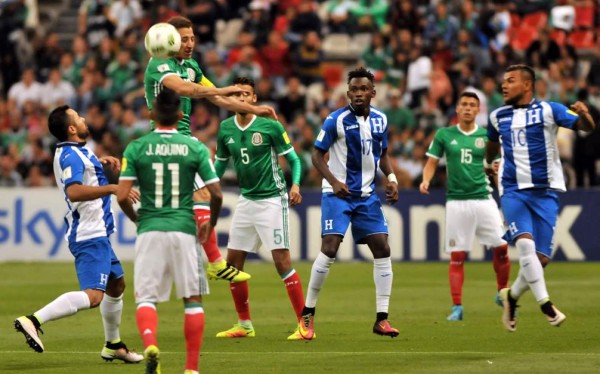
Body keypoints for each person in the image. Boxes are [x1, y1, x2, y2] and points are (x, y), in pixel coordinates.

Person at [144, 15, 277, 283]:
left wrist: (254, 110)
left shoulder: (191, 66)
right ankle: (215, 261)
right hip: (167, 140)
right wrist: (230, 88)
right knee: (204, 195)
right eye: (184, 39)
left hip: (182, 140)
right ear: (170, 40)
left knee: (192, 201)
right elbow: (187, 90)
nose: (190, 43)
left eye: (193, 38)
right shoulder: (159, 64)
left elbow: (216, 97)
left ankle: (185, 256)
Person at [14, 105, 143, 363]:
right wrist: (112, 188)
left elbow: (84, 173)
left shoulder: (77, 151)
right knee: (95, 295)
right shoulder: (71, 155)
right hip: (89, 234)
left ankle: (113, 345)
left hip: (98, 233)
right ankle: (33, 320)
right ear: (72, 129)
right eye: (78, 117)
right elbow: (74, 191)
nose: (84, 118)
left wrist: (100, 163)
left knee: (116, 284)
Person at [116, 88, 223, 374]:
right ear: (180, 115)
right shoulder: (195, 147)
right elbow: (217, 194)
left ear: (151, 114)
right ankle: (191, 369)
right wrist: (209, 224)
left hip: (150, 228)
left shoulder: (136, 147)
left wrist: (138, 220)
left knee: (146, 298)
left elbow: (122, 195)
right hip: (185, 230)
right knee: (192, 299)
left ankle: (151, 344)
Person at [486, 64, 595, 332]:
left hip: (545, 192)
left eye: (510, 80)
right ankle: (547, 305)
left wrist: (585, 114)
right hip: (513, 191)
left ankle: (511, 297)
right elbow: (491, 148)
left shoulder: (550, 109)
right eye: (503, 81)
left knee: (541, 259)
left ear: (527, 85)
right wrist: (491, 166)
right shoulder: (497, 116)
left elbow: (585, 127)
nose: (504, 85)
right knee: (525, 246)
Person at [298, 67, 400, 340]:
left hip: (366, 196)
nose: (358, 94)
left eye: (363, 89)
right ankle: (307, 314)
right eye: (353, 89)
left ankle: (382, 319)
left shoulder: (381, 120)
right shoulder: (335, 120)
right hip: (338, 195)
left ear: (372, 93)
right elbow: (316, 156)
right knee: (330, 248)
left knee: (383, 247)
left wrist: (391, 178)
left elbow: (383, 154)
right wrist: (332, 181)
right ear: (348, 93)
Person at [212, 77, 306, 340]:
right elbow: (219, 166)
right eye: (237, 94)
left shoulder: (269, 126)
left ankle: (305, 323)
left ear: (254, 98)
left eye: (247, 94)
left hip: (272, 200)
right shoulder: (225, 128)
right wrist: (206, 183)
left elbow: (295, 160)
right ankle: (244, 324)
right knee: (233, 263)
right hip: (246, 200)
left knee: (281, 261)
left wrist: (295, 186)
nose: (242, 99)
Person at [419, 91, 511, 321]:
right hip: (457, 202)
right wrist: (426, 180)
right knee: (457, 256)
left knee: (501, 248)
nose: (468, 108)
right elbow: (431, 162)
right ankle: (457, 307)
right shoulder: (444, 134)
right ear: (457, 109)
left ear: (478, 110)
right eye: (464, 104)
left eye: (473, 105)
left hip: (483, 198)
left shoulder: (487, 137)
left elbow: (496, 169)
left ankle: (502, 292)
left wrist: (504, 195)